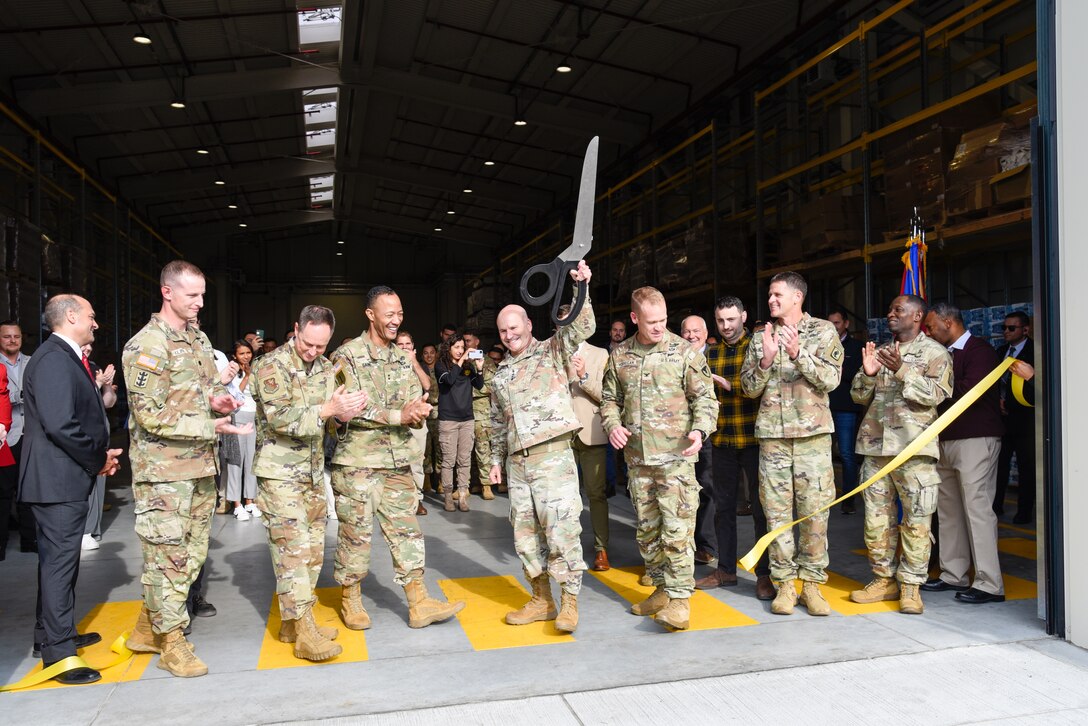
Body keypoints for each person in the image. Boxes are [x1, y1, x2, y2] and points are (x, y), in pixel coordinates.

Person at [123, 260, 250, 678]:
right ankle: (172, 643)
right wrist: (207, 424)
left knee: (192, 555)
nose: (199, 303)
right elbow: (149, 416)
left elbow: (207, 389)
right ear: (167, 292)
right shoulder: (146, 346)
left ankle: (147, 628)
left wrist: (221, 400)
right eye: (192, 295)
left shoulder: (197, 339)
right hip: (164, 473)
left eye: (202, 295)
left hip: (199, 467)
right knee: (168, 558)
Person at [330, 286, 464, 631]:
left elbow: (410, 400)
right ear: (370, 315)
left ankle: (418, 602)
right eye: (389, 314)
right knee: (355, 536)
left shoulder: (402, 358)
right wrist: (398, 415)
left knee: (407, 533)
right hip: (357, 463)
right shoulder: (347, 355)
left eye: (400, 314)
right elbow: (348, 407)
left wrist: (417, 411)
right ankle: (351, 599)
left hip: (396, 462)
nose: (396, 320)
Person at [252, 305, 368, 662]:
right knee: (292, 554)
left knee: (313, 554)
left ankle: (292, 623)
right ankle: (304, 632)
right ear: (296, 330)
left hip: (314, 473)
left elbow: (330, 422)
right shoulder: (271, 365)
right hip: (280, 474)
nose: (312, 351)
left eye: (321, 346)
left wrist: (344, 417)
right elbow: (280, 418)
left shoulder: (325, 369)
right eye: (307, 343)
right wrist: (326, 411)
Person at [601, 288, 718, 632]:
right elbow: (609, 399)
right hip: (638, 462)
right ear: (634, 318)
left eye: (664, 320)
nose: (659, 327)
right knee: (648, 532)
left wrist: (700, 430)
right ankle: (662, 589)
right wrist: (612, 425)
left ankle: (680, 601)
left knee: (677, 532)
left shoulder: (684, 352)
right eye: (652, 322)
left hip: (676, 461)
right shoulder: (620, 356)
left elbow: (706, 399)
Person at [19, 295, 121, 685]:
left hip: (63, 477)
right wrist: (97, 457)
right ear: (72, 316)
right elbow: (62, 425)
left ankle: (50, 635)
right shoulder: (53, 359)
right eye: (92, 317)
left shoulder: (63, 357)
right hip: (57, 480)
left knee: (58, 564)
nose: (96, 324)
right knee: (60, 565)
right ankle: (59, 654)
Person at [488, 261, 594, 634]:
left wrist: (581, 288)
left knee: (562, 531)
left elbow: (582, 326)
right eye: (502, 331)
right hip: (518, 465)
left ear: (528, 326)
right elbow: (498, 421)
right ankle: (541, 599)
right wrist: (495, 462)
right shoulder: (500, 374)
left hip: (553, 457)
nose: (508, 335)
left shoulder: (552, 350)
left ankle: (569, 603)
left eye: (513, 328)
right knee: (526, 535)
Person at [740, 272, 843, 616]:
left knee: (815, 514)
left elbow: (830, 380)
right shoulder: (760, 338)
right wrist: (767, 360)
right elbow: (748, 388)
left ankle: (812, 585)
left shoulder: (823, 332)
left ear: (797, 297)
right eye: (769, 295)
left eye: (777, 294)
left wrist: (799, 353)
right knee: (777, 515)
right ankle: (785, 584)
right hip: (773, 439)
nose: (771, 300)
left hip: (812, 438)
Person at [847, 296, 952, 614]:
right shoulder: (879, 351)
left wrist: (903, 370)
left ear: (918, 316)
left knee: (918, 522)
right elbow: (857, 395)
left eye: (899, 310)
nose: (891, 314)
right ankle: (883, 580)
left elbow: (937, 395)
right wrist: (866, 374)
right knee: (877, 521)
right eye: (890, 309)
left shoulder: (936, 353)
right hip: (876, 450)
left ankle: (910, 587)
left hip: (915, 450)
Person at [923, 302, 1006, 604]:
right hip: (945, 438)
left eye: (931, 326)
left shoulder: (980, 350)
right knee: (948, 511)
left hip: (976, 438)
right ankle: (952, 574)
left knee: (978, 509)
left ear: (948, 322)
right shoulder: (943, 354)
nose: (928, 332)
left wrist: (929, 387)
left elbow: (968, 392)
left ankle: (989, 582)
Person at [696, 297, 774, 600]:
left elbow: (766, 387)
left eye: (731, 320)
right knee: (723, 509)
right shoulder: (711, 354)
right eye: (720, 321)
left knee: (760, 510)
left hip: (755, 441)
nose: (726, 327)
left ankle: (764, 575)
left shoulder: (757, 348)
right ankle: (726, 570)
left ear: (743, 316)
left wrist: (731, 386)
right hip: (723, 442)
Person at [560, 304, 611, 571]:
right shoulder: (553, 353)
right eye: (561, 323)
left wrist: (583, 376)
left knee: (596, 494)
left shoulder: (600, 354)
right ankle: (565, 550)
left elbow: (607, 396)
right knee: (563, 497)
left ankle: (601, 549)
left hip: (591, 433)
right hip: (561, 435)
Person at [679, 315, 717, 566]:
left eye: (696, 331)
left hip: (711, 434)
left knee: (707, 487)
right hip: (681, 434)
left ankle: (705, 544)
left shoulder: (717, 356)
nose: (691, 336)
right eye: (687, 332)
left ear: (705, 333)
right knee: (681, 491)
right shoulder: (675, 357)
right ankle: (682, 542)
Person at [993, 311, 1035, 523]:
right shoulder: (1001, 351)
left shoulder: (1035, 352)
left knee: (1027, 467)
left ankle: (1024, 512)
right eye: (1004, 328)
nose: (1006, 332)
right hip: (1002, 420)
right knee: (999, 465)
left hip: (1025, 420)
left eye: (1011, 328)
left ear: (1025, 330)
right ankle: (996, 506)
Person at [435, 331, 484, 512]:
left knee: (464, 460)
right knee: (448, 461)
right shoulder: (441, 366)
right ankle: (448, 496)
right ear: (449, 348)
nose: (460, 351)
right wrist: (462, 360)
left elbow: (479, 385)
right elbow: (449, 380)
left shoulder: (468, 366)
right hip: (448, 419)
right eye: (457, 347)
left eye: (462, 348)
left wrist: (478, 368)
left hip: (467, 419)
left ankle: (463, 495)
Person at [0, 320, 35, 555]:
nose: (12, 341)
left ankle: (29, 541)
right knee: (3, 492)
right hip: (5, 437)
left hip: (29, 434)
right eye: (6, 337)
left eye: (16, 337)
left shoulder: (33, 363)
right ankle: (0, 545)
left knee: (29, 491)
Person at [80, 343, 118, 551]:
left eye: (90, 345)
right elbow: (80, 398)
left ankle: (93, 528)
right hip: (82, 435)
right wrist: (96, 383)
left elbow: (108, 402)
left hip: (100, 435)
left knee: (99, 484)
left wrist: (106, 386)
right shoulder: (69, 367)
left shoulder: (94, 366)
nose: (87, 348)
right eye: (84, 344)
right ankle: (83, 531)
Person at [827, 308, 864, 514]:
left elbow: (856, 376)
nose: (834, 327)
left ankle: (848, 499)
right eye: (830, 323)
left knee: (847, 454)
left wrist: (836, 368)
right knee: (822, 455)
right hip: (822, 408)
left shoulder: (857, 347)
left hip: (846, 409)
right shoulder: (821, 346)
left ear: (846, 324)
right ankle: (825, 499)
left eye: (837, 323)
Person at [395, 331, 431, 515]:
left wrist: (414, 361)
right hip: (396, 422)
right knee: (397, 465)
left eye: (407, 344)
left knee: (416, 463)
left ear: (413, 347)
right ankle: (399, 501)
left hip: (416, 423)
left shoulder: (418, 366)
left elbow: (427, 385)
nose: (404, 347)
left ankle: (417, 500)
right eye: (400, 344)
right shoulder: (389, 366)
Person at [224, 340, 260, 521]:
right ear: (234, 356)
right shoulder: (231, 372)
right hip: (237, 419)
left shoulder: (255, 370)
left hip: (253, 420)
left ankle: (250, 500)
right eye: (242, 354)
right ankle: (236, 504)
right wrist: (245, 376)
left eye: (248, 353)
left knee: (252, 461)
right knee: (236, 462)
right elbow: (234, 397)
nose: (246, 356)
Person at [466, 332, 498, 501]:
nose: (466, 343)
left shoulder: (487, 361)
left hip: (481, 412)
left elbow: (490, 386)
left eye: (469, 340)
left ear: (477, 341)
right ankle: (472, 483)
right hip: (464, 411)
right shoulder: (461, 360)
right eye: (464, 341)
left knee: (483, 448)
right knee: (466, 451)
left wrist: (468, 390)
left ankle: (486, 485)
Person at [419, 343, 441, 495]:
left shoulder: (441, 369)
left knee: (440, 447)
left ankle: (440, 481)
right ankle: (426, 480)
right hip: (424, 411)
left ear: (436, 354)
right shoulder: (420, 370)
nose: (429, 356)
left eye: (432, 352)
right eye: (425, 353)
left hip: (440, 411)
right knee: (426, 448)